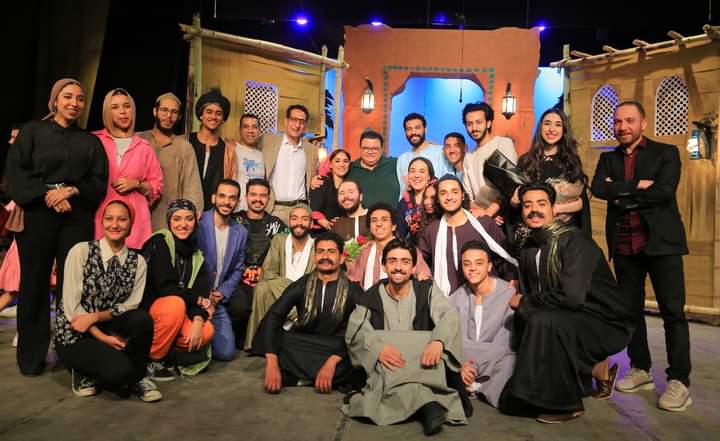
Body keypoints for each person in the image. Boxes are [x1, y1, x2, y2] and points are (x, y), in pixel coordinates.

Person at [500, 183, 632, 423]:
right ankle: (591, 373)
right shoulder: (529, 247)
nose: (534, 210)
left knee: (543, 320)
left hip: (603, 320)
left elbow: (571, 297)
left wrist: (526, 301)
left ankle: (565, 405)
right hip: (566, 316)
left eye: (541, 204)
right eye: (527, 205)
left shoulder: (574, 241)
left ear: (554, 209)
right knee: (531, 319)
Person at [591, 101, 692, 411]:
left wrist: (621, 194)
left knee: (672, 313)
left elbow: (663, 192)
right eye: (618, 121)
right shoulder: (608, 158)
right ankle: (640, 368)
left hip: (662, 244)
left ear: (643, 123)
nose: (623, 126)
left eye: (630, 120)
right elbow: (598, 189)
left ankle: (679, 380)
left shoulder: (666, 153)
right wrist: (637, 186)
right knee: (631, 312)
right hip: (625, 246)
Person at [6, 78, 108, 376]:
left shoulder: (90, 141)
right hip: (38, 215)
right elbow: (16, 173)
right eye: (68, 97)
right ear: (55, 100)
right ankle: (31, 356)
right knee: (34, 285)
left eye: (80, 98)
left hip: (75, 218)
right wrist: (49, 195)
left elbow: (98, 180)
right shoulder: (32, 132)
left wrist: (71, 191)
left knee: (73, 286)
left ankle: (71, 351)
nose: (74, 103)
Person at [343, 239, 472, 436]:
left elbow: (448, 316)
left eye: (405, 262)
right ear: (384, 266)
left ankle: (419, 403)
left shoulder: (427, 290)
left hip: (422, 363)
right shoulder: (371, 295)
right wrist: (378, 349)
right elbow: (356, 329)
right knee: (384, 363)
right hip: (389, 363)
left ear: (413, 268)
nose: (398, 267)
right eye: (392, 261)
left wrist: (438, 341)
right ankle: (429, 406)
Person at [55, 200, 161, 402]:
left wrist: (96, 317)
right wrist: (102, 337)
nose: (115, 224)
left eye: (122, 219)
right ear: (101, 222)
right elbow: (71, 307)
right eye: (109, 218)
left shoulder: (137, 261)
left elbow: (130, 304)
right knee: (119, 374)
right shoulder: (81, 251)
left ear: (131, 224)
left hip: (108, 325)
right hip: (75, 333)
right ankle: (81, 369)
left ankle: (139, 376)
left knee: (142, 319)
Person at [252, 231, 365, 393]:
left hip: (336, 348)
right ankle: (325, 379)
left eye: (331, 251)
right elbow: (274, 316)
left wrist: (331, 362)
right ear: (314, 257)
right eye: (320, 251)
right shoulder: (302, 284)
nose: (325, 256)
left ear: (341, 258)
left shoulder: (353, 290)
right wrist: (271, 361)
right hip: (304, 344)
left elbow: (361, 330)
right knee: (278, 338)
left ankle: (299, 378)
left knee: (360, 354)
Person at [141, 199, 214, 381]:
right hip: (151, 311)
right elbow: (165, 288)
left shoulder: (197, 254)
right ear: (169, 221)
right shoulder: (160, 243)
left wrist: (198, 319)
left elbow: (201, 291)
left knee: (206, 331)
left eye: (189, 219)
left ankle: (168, 354)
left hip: (179, 312)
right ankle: (151, 359)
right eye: (177, 219)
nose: (183, 224)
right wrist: (197, 300)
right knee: (175, 303)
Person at [417, 175, 518, 296]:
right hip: (448, 300)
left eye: (454, 192)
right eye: (443, 193)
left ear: (463, 195)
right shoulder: (432, 230)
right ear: (437, 199)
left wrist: (512, 278)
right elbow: (419, 260)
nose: (449, 197)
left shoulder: (484, 223)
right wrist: (421, 272)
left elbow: (504, 257)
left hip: (487, 298)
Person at [93, 88, 163, 248]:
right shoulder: (95, 141)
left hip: (136, 224)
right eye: (115, 107)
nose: (123, 112)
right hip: (102, 219)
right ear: (107, 112)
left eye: (127, 106)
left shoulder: (144, 147)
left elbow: (157, 186)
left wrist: (137, 184)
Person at [449, 241, 515, 407]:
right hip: (464, 358)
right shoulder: (456, 298)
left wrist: (475, 365)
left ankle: (476, 388)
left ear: (489, 266)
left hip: (495, 356)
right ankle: (470, 384)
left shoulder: (508, 293)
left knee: (509, 361)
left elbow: (504, 340)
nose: (472, 268)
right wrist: (460, 366)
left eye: (479, 263)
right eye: (467, 264)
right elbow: (451, 336)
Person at [244, 204, 315, 349]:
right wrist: (292, 290)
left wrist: (295, 291)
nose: (299, 223)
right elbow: (268, 272)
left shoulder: (317, 246)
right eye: (294, 218)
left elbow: (314, 281)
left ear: (311, 223)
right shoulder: (279, 240)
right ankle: (258, 342)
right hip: (280, 295)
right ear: (289, 222)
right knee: (262, 287)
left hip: (306, 296)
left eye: (304, 219)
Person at [227, 178, 286, 346]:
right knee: (240, 306)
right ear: (246, 197)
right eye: (253, 194)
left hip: (265, 279)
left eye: (263, 195)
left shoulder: (277, 225)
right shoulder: (233, 220)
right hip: (235, 279)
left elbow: (285, 253)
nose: (258, 199)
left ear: (268, 199)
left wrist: (265, 271)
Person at [514, 108, 590, 234]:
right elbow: (517, 201)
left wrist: (557, 209)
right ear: (540, 128)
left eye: (558, 125)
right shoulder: (526, 160)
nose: (551, 129)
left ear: (564, 130)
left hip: (564, 231)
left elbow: (582, 202)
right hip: (532, 231)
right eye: (547, 123)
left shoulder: (571, 161)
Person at [196, 179, 247, 360]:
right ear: (213, 198)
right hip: (198, 295)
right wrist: (204, 294)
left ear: (237, 203)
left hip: (218, 297)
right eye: (222, 196)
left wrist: (223, 292)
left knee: (226, 354)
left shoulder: (240, 232)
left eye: (232, 198)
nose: (226, 202)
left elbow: (239, 268)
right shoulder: (198, 223)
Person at [139, 92, 204, 232]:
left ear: (179, 117)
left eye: (174, 112)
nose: (168, 116)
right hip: (136, 216)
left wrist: (190, 217)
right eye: (164, 110)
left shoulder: (183, 147)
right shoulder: (139, 140)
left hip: (167, 221)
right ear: (155, 111)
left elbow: (192, 187)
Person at [347, 202, 431, 289]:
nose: (379, 224)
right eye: (374, 220)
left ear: (393, 226)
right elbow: (353, 282)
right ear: (369, 227)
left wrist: (421, 277)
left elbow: (425, 277)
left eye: (384, 220)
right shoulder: (365, 252)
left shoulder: (407, 249)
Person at [262, 104, 319, 224]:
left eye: (301, 121)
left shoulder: (311, 150)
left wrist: (315, 179)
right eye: (293, 120)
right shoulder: (268, 142)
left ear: (305, 126)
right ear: (286, 121)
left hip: (300, 210)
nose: (297, 125)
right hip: (274, 208)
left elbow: (313, 176)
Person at [461, 102, 516, 219]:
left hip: (502, 214)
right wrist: (482, 214)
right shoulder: (469, 157)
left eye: (478, 122)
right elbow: (468, 194)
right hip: (479, 216)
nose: (474, 128)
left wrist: (490, 213)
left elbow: (510, 183)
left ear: (488, 123)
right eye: (469, 124)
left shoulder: (502, 143)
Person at [190, 88, 237, 211]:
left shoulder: (228, 150)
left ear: (223, 119)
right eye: (209, 112)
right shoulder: (186, 142)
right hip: (186, 210)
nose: (214, 116)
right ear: (201, 115)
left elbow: (230, 185)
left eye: (218, 113)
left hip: (214, 213)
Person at [396, 113, 453, 192]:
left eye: (417, 128)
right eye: (409, 129)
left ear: (425, 129)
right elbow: (403, 191)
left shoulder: (440, 152)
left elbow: (450, 181)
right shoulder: (402, 159)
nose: (413, 132)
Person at [345, 131, 400, 208]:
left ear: (382, 149)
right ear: (360, 148)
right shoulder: (349, 168)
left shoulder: (395, 164)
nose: (370, 152)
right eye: (366, 148)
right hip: (359, 215)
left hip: (393, 215)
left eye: (375, 149)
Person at [309, 149, 350, 231]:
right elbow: (315, 210)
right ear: (330, 165)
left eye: (345, 161)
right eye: (337, 161)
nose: (342, 164)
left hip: (345, 230)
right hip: (322, 231)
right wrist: (330, 226)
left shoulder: (349, 186)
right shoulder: (321, 181)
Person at [396, 157, 435, 242]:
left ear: (429, 177)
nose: (416, 175)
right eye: (412, 171)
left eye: (422, 171)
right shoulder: (403, 204)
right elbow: (400, 237)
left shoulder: (437, 198)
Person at [233, 113, 265, 212]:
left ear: (259, 131)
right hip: (235, 211)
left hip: (257, 212)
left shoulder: (262, 154)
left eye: (254, 127)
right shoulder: (231, 149)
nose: (250, 131)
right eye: (246, 127)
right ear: (240, 130)